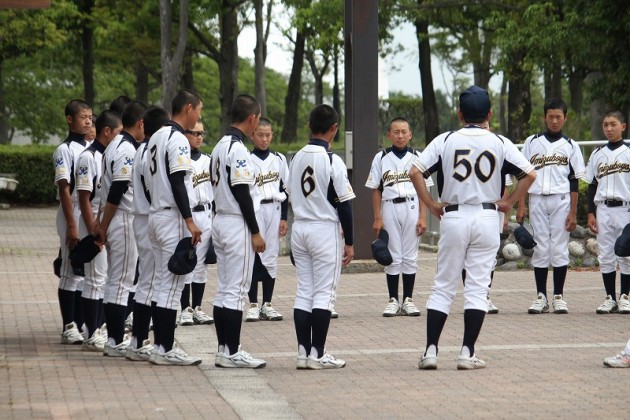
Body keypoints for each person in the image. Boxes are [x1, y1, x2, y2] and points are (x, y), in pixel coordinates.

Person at [410, 86, 536, 370]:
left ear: (459, 113)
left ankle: (431, 351)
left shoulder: (446, 139)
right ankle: (467, 353)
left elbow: (415, 171)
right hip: (487, 216)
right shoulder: (499, 142)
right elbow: (530, 174)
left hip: (453, 215)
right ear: (489, 114)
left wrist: (430, 204)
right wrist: (509, 201)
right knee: (478, 288)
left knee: (443, 285)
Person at [288, 104, 355, 370]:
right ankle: (318, 354)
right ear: (334, 129)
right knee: (324, 294)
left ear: (308, 126)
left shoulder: (295, 157)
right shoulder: (331, 160)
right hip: (323, 229)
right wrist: (349, 242)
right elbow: (345, 205)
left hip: (300, 226)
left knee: (304, 290)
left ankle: (304, 353)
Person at [145, 89, 203, 366]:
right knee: (171, 286)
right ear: (188, 108)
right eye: (198, 111)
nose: (198, 116)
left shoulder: (155, 136)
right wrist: (189, 220)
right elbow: (178, 179)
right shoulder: (178, 138)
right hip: (172, 218)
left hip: (155, 215)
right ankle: (165, 349)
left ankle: (160, 346)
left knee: (160, 284)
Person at [210, 94, 267, 368]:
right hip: (235, 222)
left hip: (220, 220)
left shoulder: (220, 145)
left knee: (225, 289)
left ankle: (224, 349)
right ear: (252, 119)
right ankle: (232, 351)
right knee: (236, 290)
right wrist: (255, 231)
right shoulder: (238, 149)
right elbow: (242, 191)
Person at [517, 98, 586, 314]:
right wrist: (521, 204)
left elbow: (574, 179)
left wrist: (573, 211)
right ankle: (540, 297)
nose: (554, 121)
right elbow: (522, 175)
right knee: (540, 248)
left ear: (565, 118)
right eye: (550, 116)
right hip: (537, 198)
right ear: (544, 117)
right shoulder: (532, 142)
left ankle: (558, 297)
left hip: (561, 199)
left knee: (558, 247)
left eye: (558, 117)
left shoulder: (571, 145)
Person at [366, 117, 433, 317]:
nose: (400, 135)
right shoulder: (381, 157)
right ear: (389, 135)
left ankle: (409, 299)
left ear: (410, 134)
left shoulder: (418, 157)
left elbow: (424, 191)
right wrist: (377, 217)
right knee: (393, 255)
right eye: (396, 131)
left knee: (410, 255)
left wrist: (423, 217)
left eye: (404, 131)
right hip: (389, 206)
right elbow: (376, 189)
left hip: (412, 205)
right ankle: (393, 299)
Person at [94, 101, 146, 357]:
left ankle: (113, 338)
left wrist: (103, 222)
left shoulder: (114, 144)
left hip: (114, 217)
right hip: (123, 217)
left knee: (116, 280)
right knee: (121, 281)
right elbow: (117, 188)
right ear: (140, 123)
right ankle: (115, 340)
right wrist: (102, 224)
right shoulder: (126, 148)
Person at [125, 105, 171, 362]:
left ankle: (138, 339)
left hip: (142, 217)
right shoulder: (155, 149)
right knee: (153, 282)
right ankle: (143, 340)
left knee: (146, 281)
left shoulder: (142, 148)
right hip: (151, 215)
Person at [75, 110, 122, 352]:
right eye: (117, 132)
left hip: (104, 220)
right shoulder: (88, 157)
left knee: (104, 278)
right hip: (92, 220)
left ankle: (98, 328)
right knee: (94, 278)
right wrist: (93, 226)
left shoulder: (109, 155)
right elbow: (84, 196)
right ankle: (91, 332)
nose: (120, 137)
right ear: (107, 132)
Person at [53, 99, 92, 345]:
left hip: (88, 210)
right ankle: (69, 325)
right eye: (83, 117)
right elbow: (65, 189)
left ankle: (82, 323)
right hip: (73, 211)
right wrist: (72, 225)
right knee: (70, 271)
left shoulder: (90, 148)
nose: (88, 121)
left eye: (90, 117)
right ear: (70, 119)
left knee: (85, 272)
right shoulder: (64, 151)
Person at [585, 111, 630, 314]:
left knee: (626, 254)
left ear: (623, 126)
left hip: (625, 208)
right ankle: (610, 297)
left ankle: (625, 296)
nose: (609, 129)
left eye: (613, 124)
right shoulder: (597, 153)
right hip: (603, 208)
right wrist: (590, 213)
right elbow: (592, 185)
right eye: (605, 125)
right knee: (606, 255)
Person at [245, 117, 289, 322]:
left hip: (274, 207)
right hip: (255, 210)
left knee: (271, 256)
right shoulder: (246, 158)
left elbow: (284, 189)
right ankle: (253, 304)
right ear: (252, 135)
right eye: (260, 135)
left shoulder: (279, 159)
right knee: (254, 255)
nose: (264, 139)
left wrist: (284, 218)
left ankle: (267, 304)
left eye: (268, 135)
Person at [178, 121, 215, 327]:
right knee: (187, 261)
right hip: (189, 215)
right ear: (185, 134)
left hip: (206, 212)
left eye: (202, 133)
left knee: (202, 265)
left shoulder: (208, 161)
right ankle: (185, 308)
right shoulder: (181, 161)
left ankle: (198, 307)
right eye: (195, 133)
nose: (199, 137)